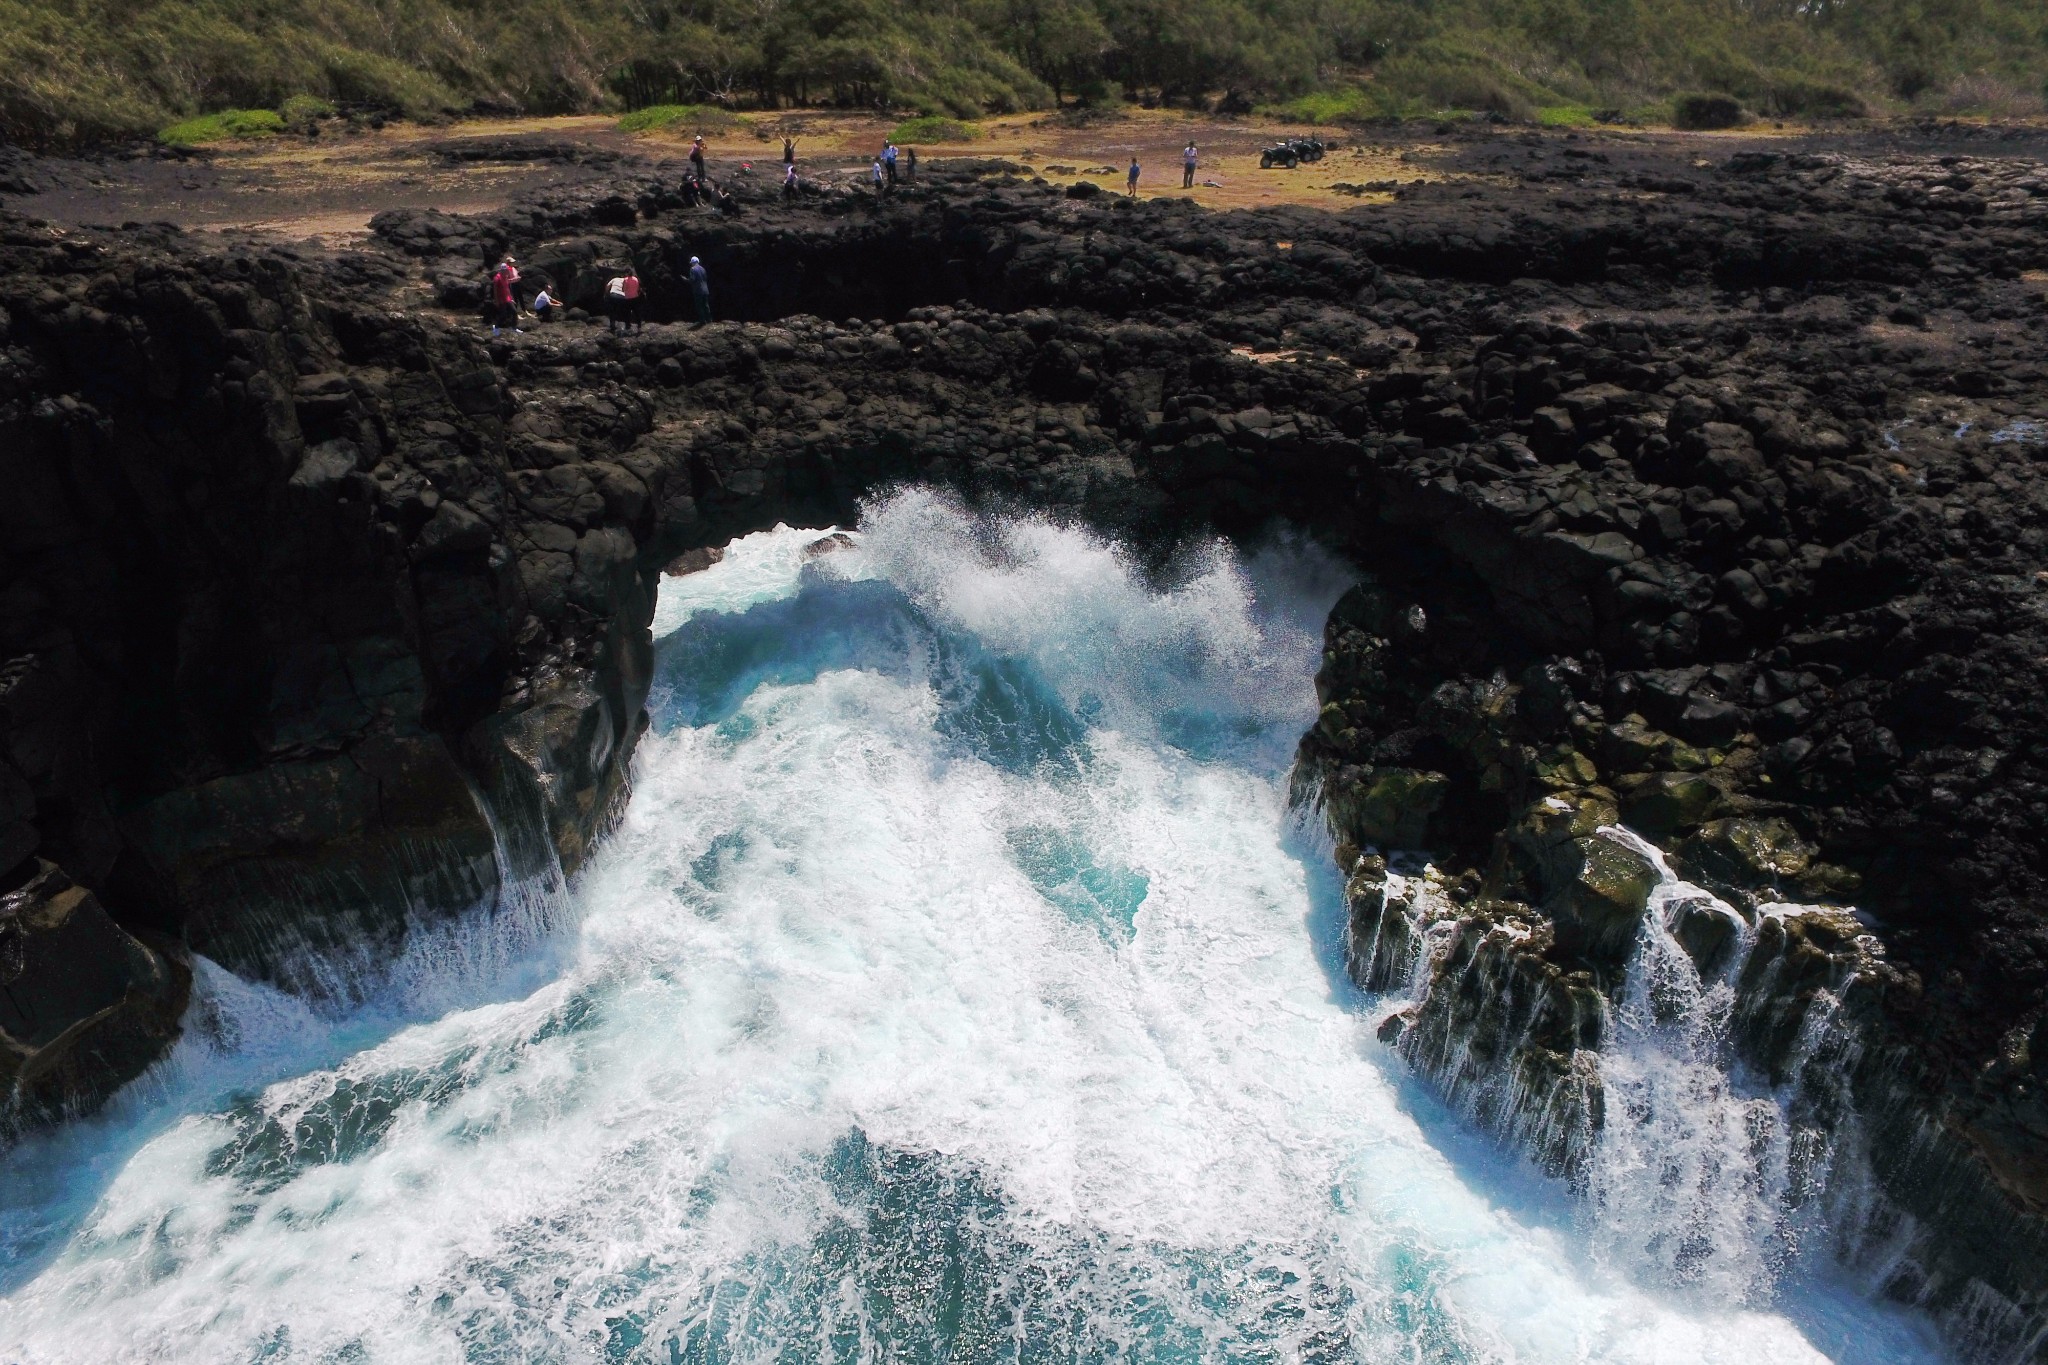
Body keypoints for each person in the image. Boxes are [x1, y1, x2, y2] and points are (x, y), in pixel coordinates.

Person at [489, 255, 521, 334]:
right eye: (506, 270)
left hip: (507, 298)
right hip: (501, 298)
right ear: (502, 271)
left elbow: (507, 289)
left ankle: (513, 327)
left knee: (514, 311)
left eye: (507, 270)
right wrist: (496, 301)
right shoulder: (497, 278)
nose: (507, 272)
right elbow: (495, 290)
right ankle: (496, 327)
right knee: (502, 314)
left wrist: (511, 298)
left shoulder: (505, 277)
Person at [689, 255, 711, 324]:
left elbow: (693, 279)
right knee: (706, 305)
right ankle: (709, 320)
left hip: (698, 290)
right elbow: (705, 278)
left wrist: (686, 280)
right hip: (705, 290)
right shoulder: (703, 269)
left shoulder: (692, 269)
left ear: (693, 262)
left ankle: (702, 321)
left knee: (699, 306)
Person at [620, 266, 642, 332]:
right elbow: (638, 288)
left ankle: (628, 326)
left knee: (627, 313)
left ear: (626, 273)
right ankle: (639, 326)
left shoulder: (625, 280)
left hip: (628, 298)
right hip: (635, 297)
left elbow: (623, 289)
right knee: (637, 312)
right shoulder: (635, 279)